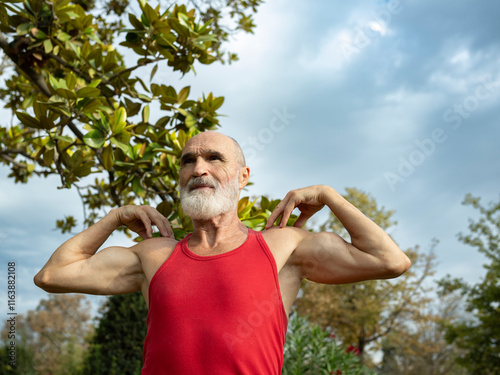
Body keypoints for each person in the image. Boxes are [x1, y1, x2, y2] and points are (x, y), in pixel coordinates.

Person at [34, 131, 411, 374]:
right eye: (188, 161)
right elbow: (53, 275)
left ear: (243, 176)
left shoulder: (282, 247)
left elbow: (390, 261)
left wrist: (330, 196)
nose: (199, 168)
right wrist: (114, 218)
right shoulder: (153, 256)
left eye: (214, 158)